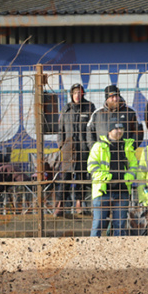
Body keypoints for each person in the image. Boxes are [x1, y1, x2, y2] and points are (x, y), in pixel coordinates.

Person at [87, 120, 137, 237]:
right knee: (98, 224)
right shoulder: (98, 146)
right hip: (103, 190)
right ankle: (92, 251)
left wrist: (127, 177)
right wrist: (108, 177)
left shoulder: (128, 146)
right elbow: (92, 167)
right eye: (116, 129)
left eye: (121, 129)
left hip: (122, 190)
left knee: (120, 225)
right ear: (109, 131)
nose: (119, 131)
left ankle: (118, 252)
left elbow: (134, 166)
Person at [58, 83, 95, 216]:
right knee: (66, 177)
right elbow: (60, 129)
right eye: (74, 93)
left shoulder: (90, 107)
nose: (77, 96)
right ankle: (60, 204)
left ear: (83, 94)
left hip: (84, 148)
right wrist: (61, 144)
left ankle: (79, 203)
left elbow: (93, 128)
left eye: (79, 93)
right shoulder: (66, 109)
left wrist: (90, 145)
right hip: (68, 148)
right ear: (71, 95)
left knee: (81, 176)